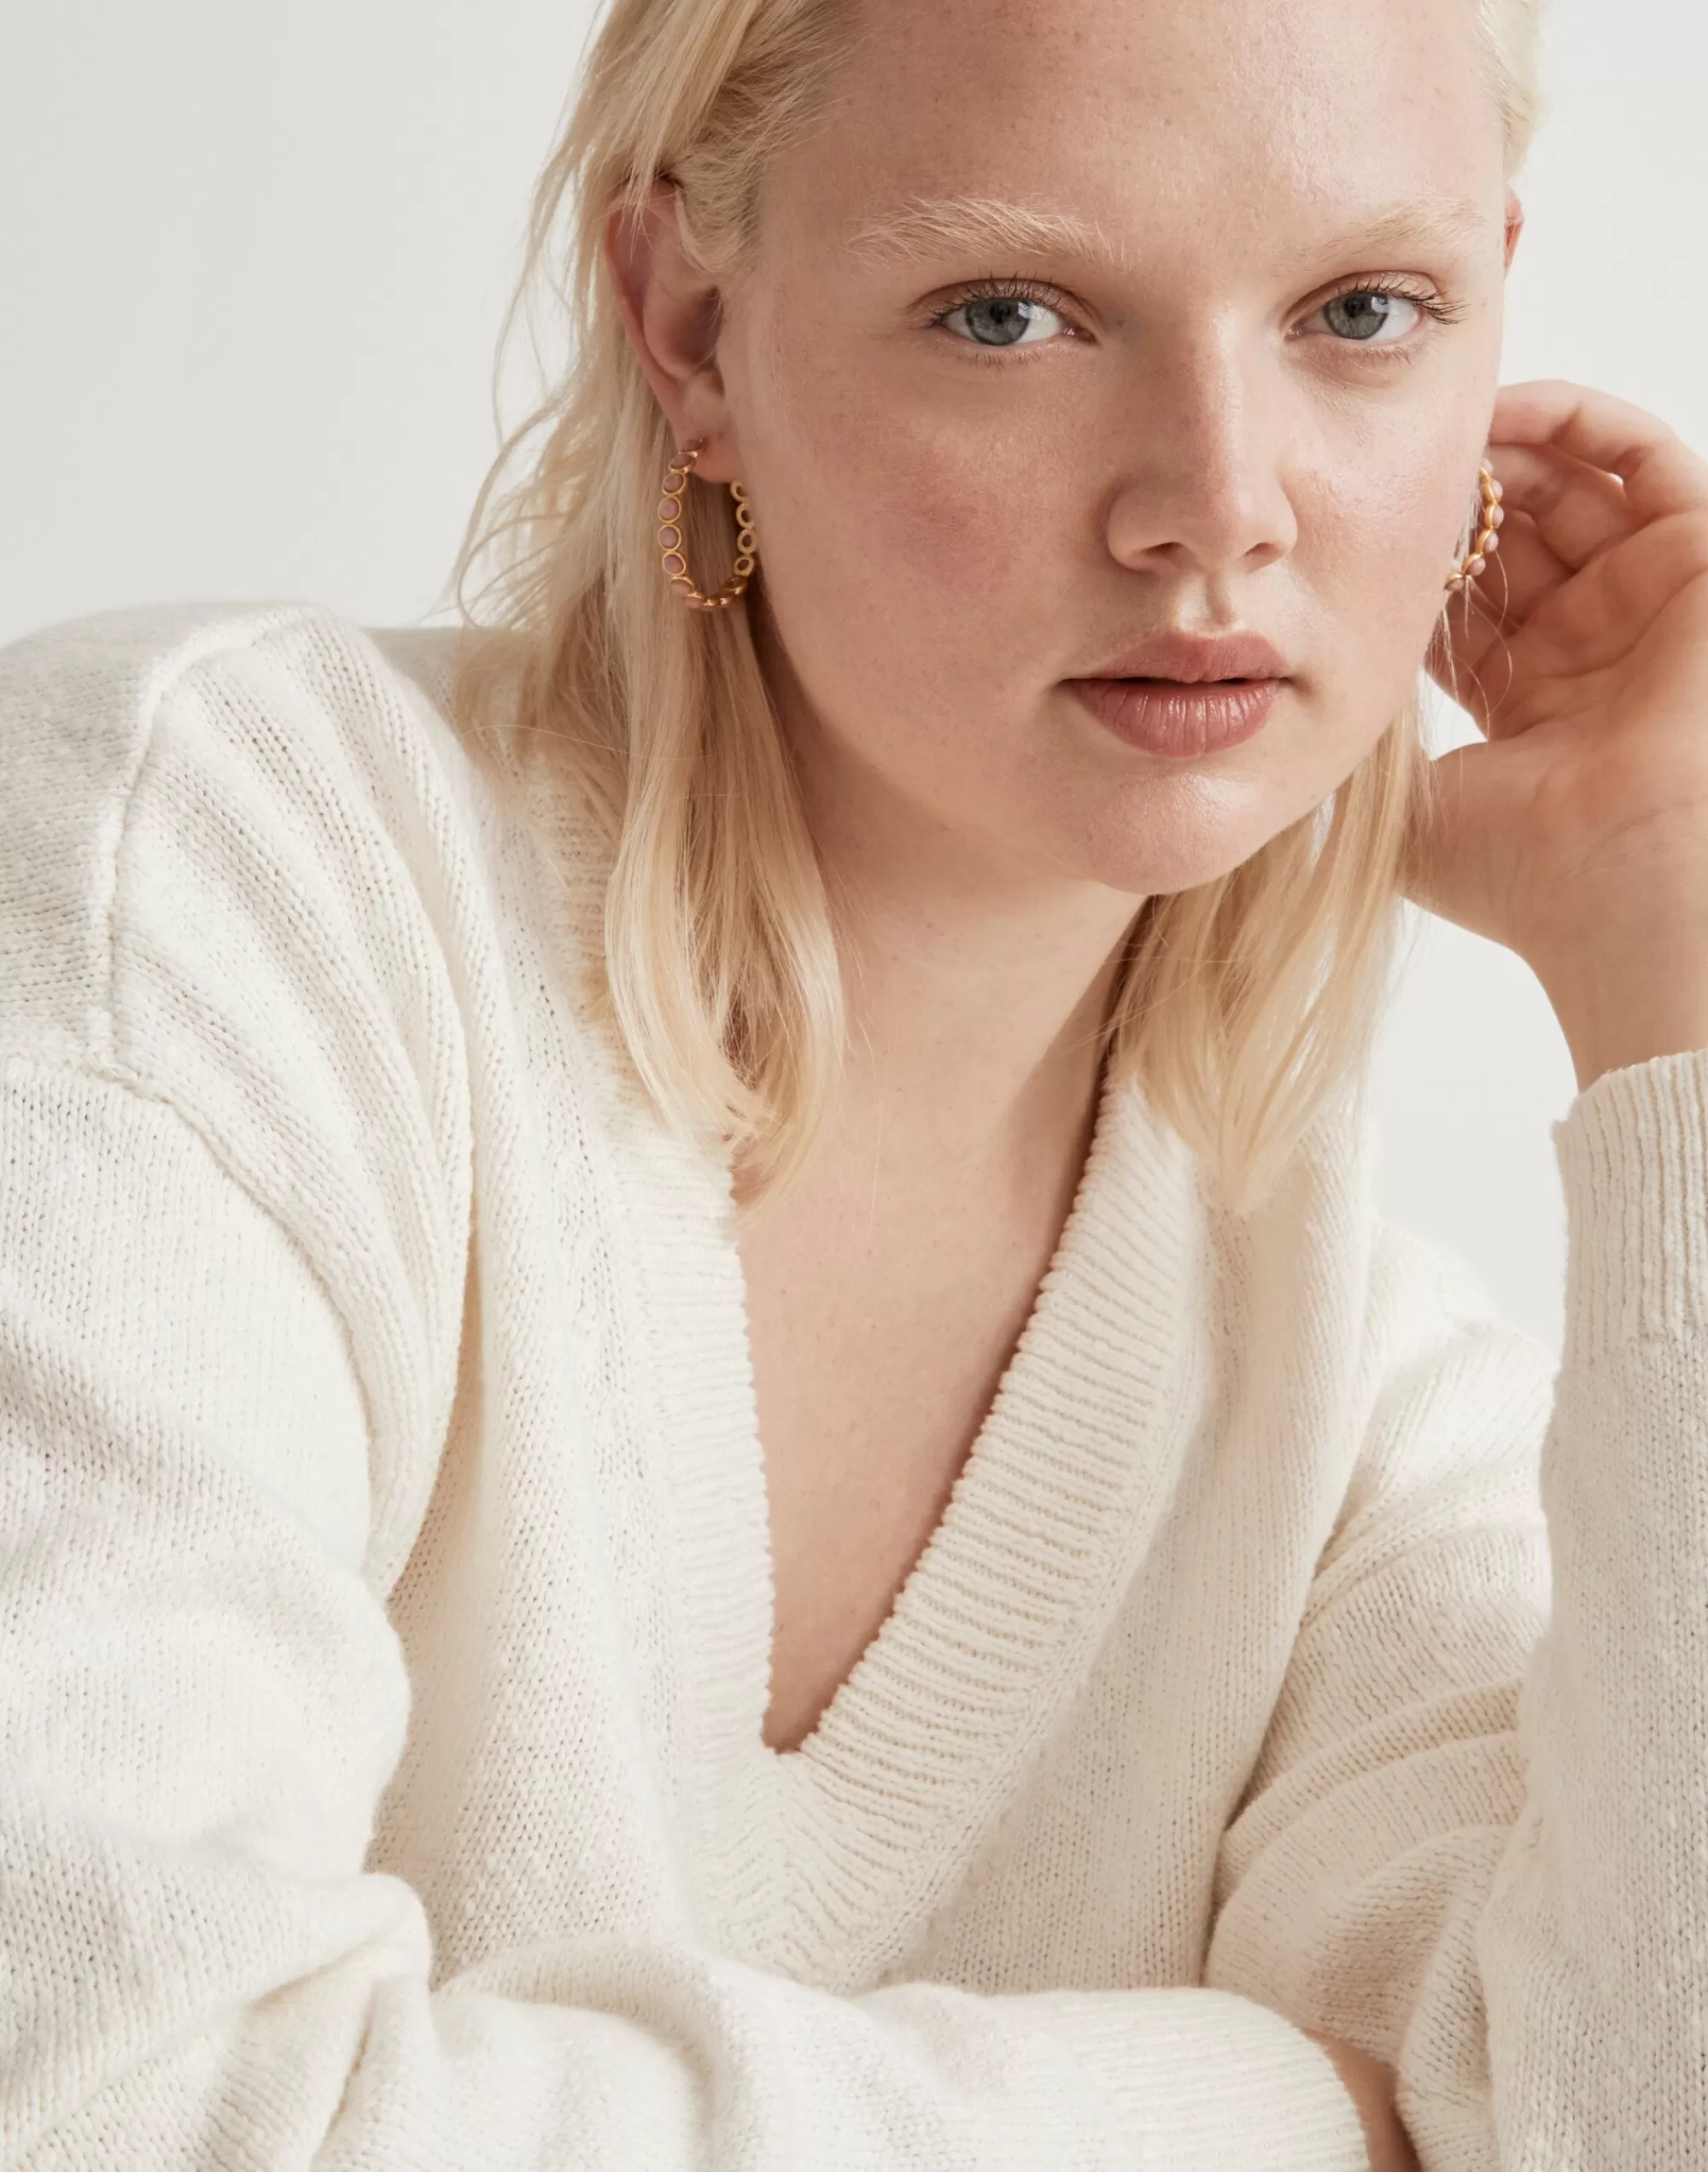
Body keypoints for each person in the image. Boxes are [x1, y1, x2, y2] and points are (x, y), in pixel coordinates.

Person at [3, 0, 1706, 2164]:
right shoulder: (210, 880)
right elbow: (115, 2108)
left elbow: (1634, 2111)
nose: (1219, 510)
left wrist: (1678, 975)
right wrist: (1287, 2122)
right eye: (1012, 313)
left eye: (1362, 311)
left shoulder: (1345, 1387)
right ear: (690, 329)